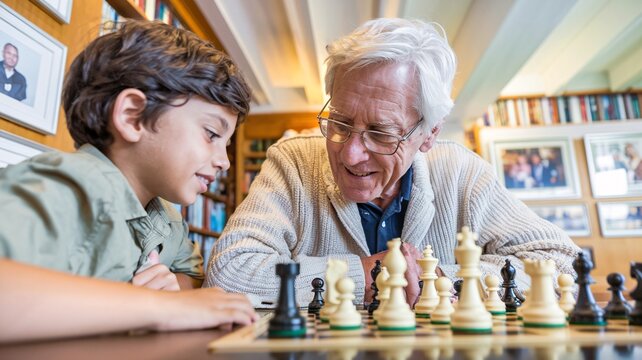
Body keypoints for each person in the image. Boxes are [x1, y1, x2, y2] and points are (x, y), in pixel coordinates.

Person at [205, 18, 580, 307]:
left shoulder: (463, 173)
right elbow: (227, 272)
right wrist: (367, 276)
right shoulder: (293, 162)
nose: (351, 153)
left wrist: (433, 279)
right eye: (339, 123)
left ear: (429, 134)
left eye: (382, 134)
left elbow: (562, 264)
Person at [0, 20, 257, 343]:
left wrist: (174, 288)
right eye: (211, 134)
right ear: (132, 116)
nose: (224, 161)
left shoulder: (165, 215)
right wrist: (159, 307)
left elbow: (192, 275)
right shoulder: (72, 186)